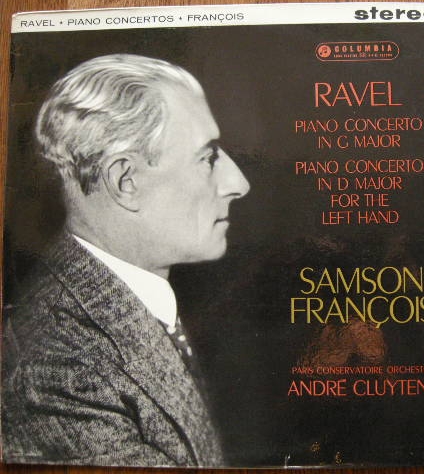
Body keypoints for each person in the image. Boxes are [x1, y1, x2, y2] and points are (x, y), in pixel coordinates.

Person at [1, 54, 250, 467]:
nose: (238, 183)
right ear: (126, 181)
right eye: (207, 158)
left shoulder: (119, 308)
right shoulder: (57, 375)